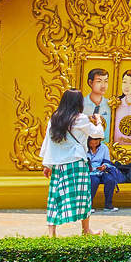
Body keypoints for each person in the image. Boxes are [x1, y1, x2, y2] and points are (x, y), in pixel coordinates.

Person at [40, 88, 94, 237]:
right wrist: (98, 123)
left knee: (55, 196)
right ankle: (86, 230)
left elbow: (49, 142)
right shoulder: (81, 118)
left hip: (58, 164)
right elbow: (96, 133)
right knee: (83, 196)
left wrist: (47, 164)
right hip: (77, 162)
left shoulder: (55, 118)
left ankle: (51, 232)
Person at [85, 130, 125, 212]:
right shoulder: (84, 148)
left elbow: (107, 161)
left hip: (102, 171)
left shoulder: (104, 148)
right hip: (90, 172)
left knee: (110, 180)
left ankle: (108, 205)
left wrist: (104, 166)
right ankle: (88, 206)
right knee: (94, 181)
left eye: (96, 143)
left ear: (99, 141)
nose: (94, 145)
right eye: (91, 143)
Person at [83, 67, 111, 137]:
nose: (103, 86)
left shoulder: (110, 104)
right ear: (90, 82)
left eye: (106, 81)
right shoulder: (81, 103)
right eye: (99, 81)